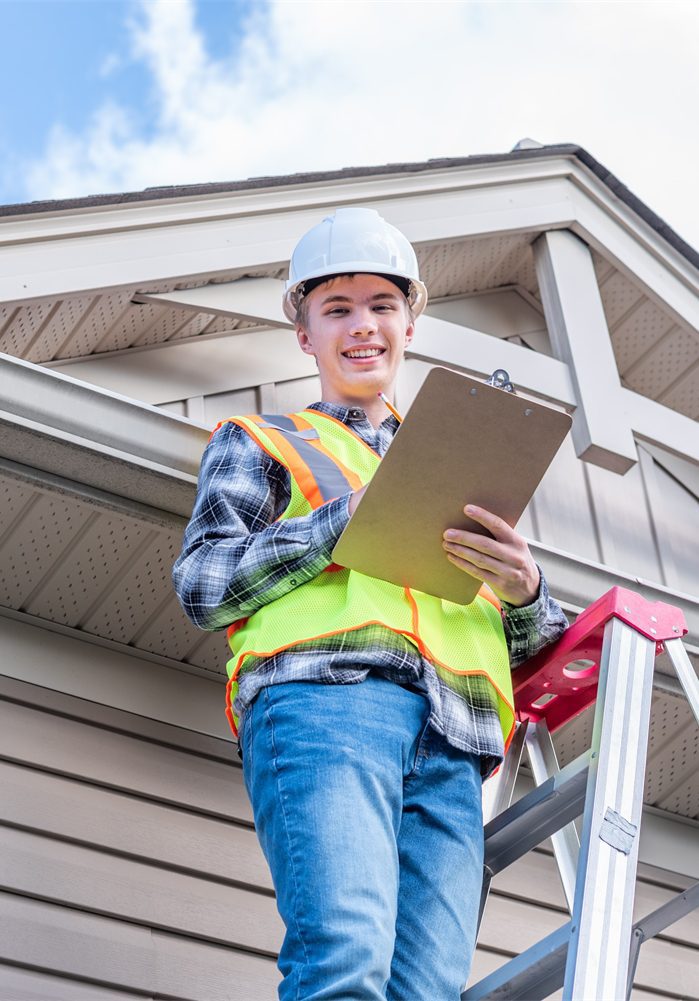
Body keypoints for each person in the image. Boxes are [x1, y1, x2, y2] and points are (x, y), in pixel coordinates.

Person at [173, 207, 568, 1001]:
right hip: (328, 705)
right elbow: (204, 586)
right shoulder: (263, 439)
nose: (363, 327)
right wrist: (336, 525)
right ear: (305, 334)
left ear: (409, 324)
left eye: (382, 306)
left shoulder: (462, 462)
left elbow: (534, 647)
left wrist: (525, 587)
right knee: (345, 961)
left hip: (453, 741)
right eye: (338, 309)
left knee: (423, 992)